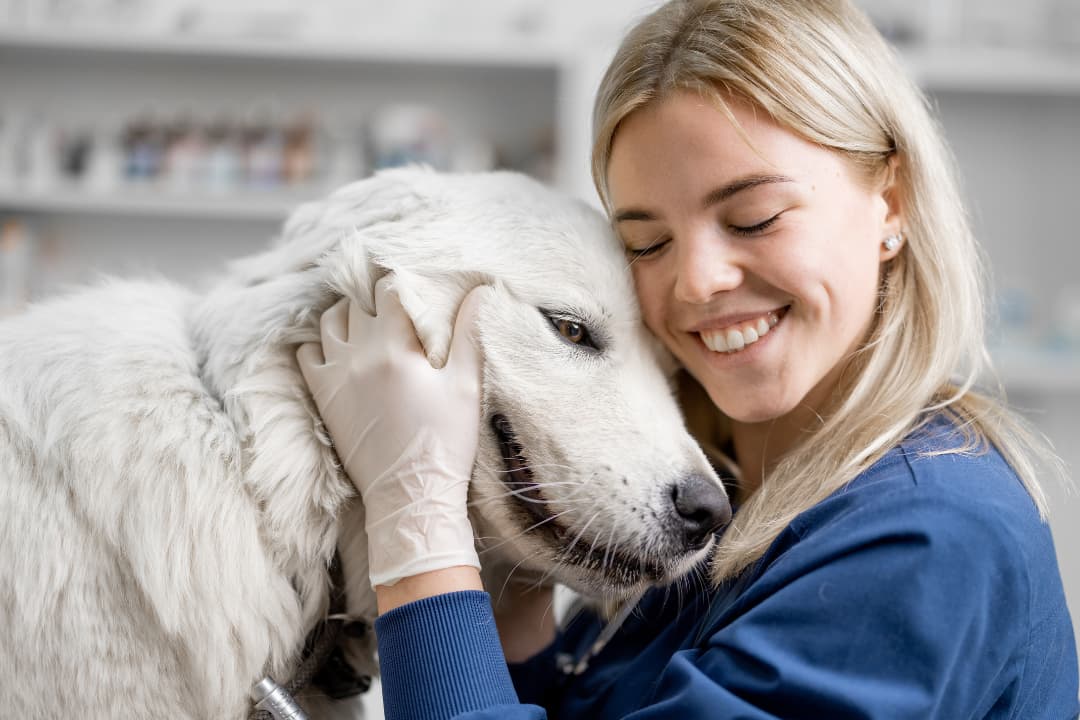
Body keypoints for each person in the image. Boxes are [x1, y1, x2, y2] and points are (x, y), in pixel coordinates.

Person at [297, 0, 1079, 717]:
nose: (696, 283)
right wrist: (514, 578)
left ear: (892, 206)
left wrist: (417, 520)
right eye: (648, 242)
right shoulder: (735, 495)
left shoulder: (927, 539)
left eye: (754, 217)